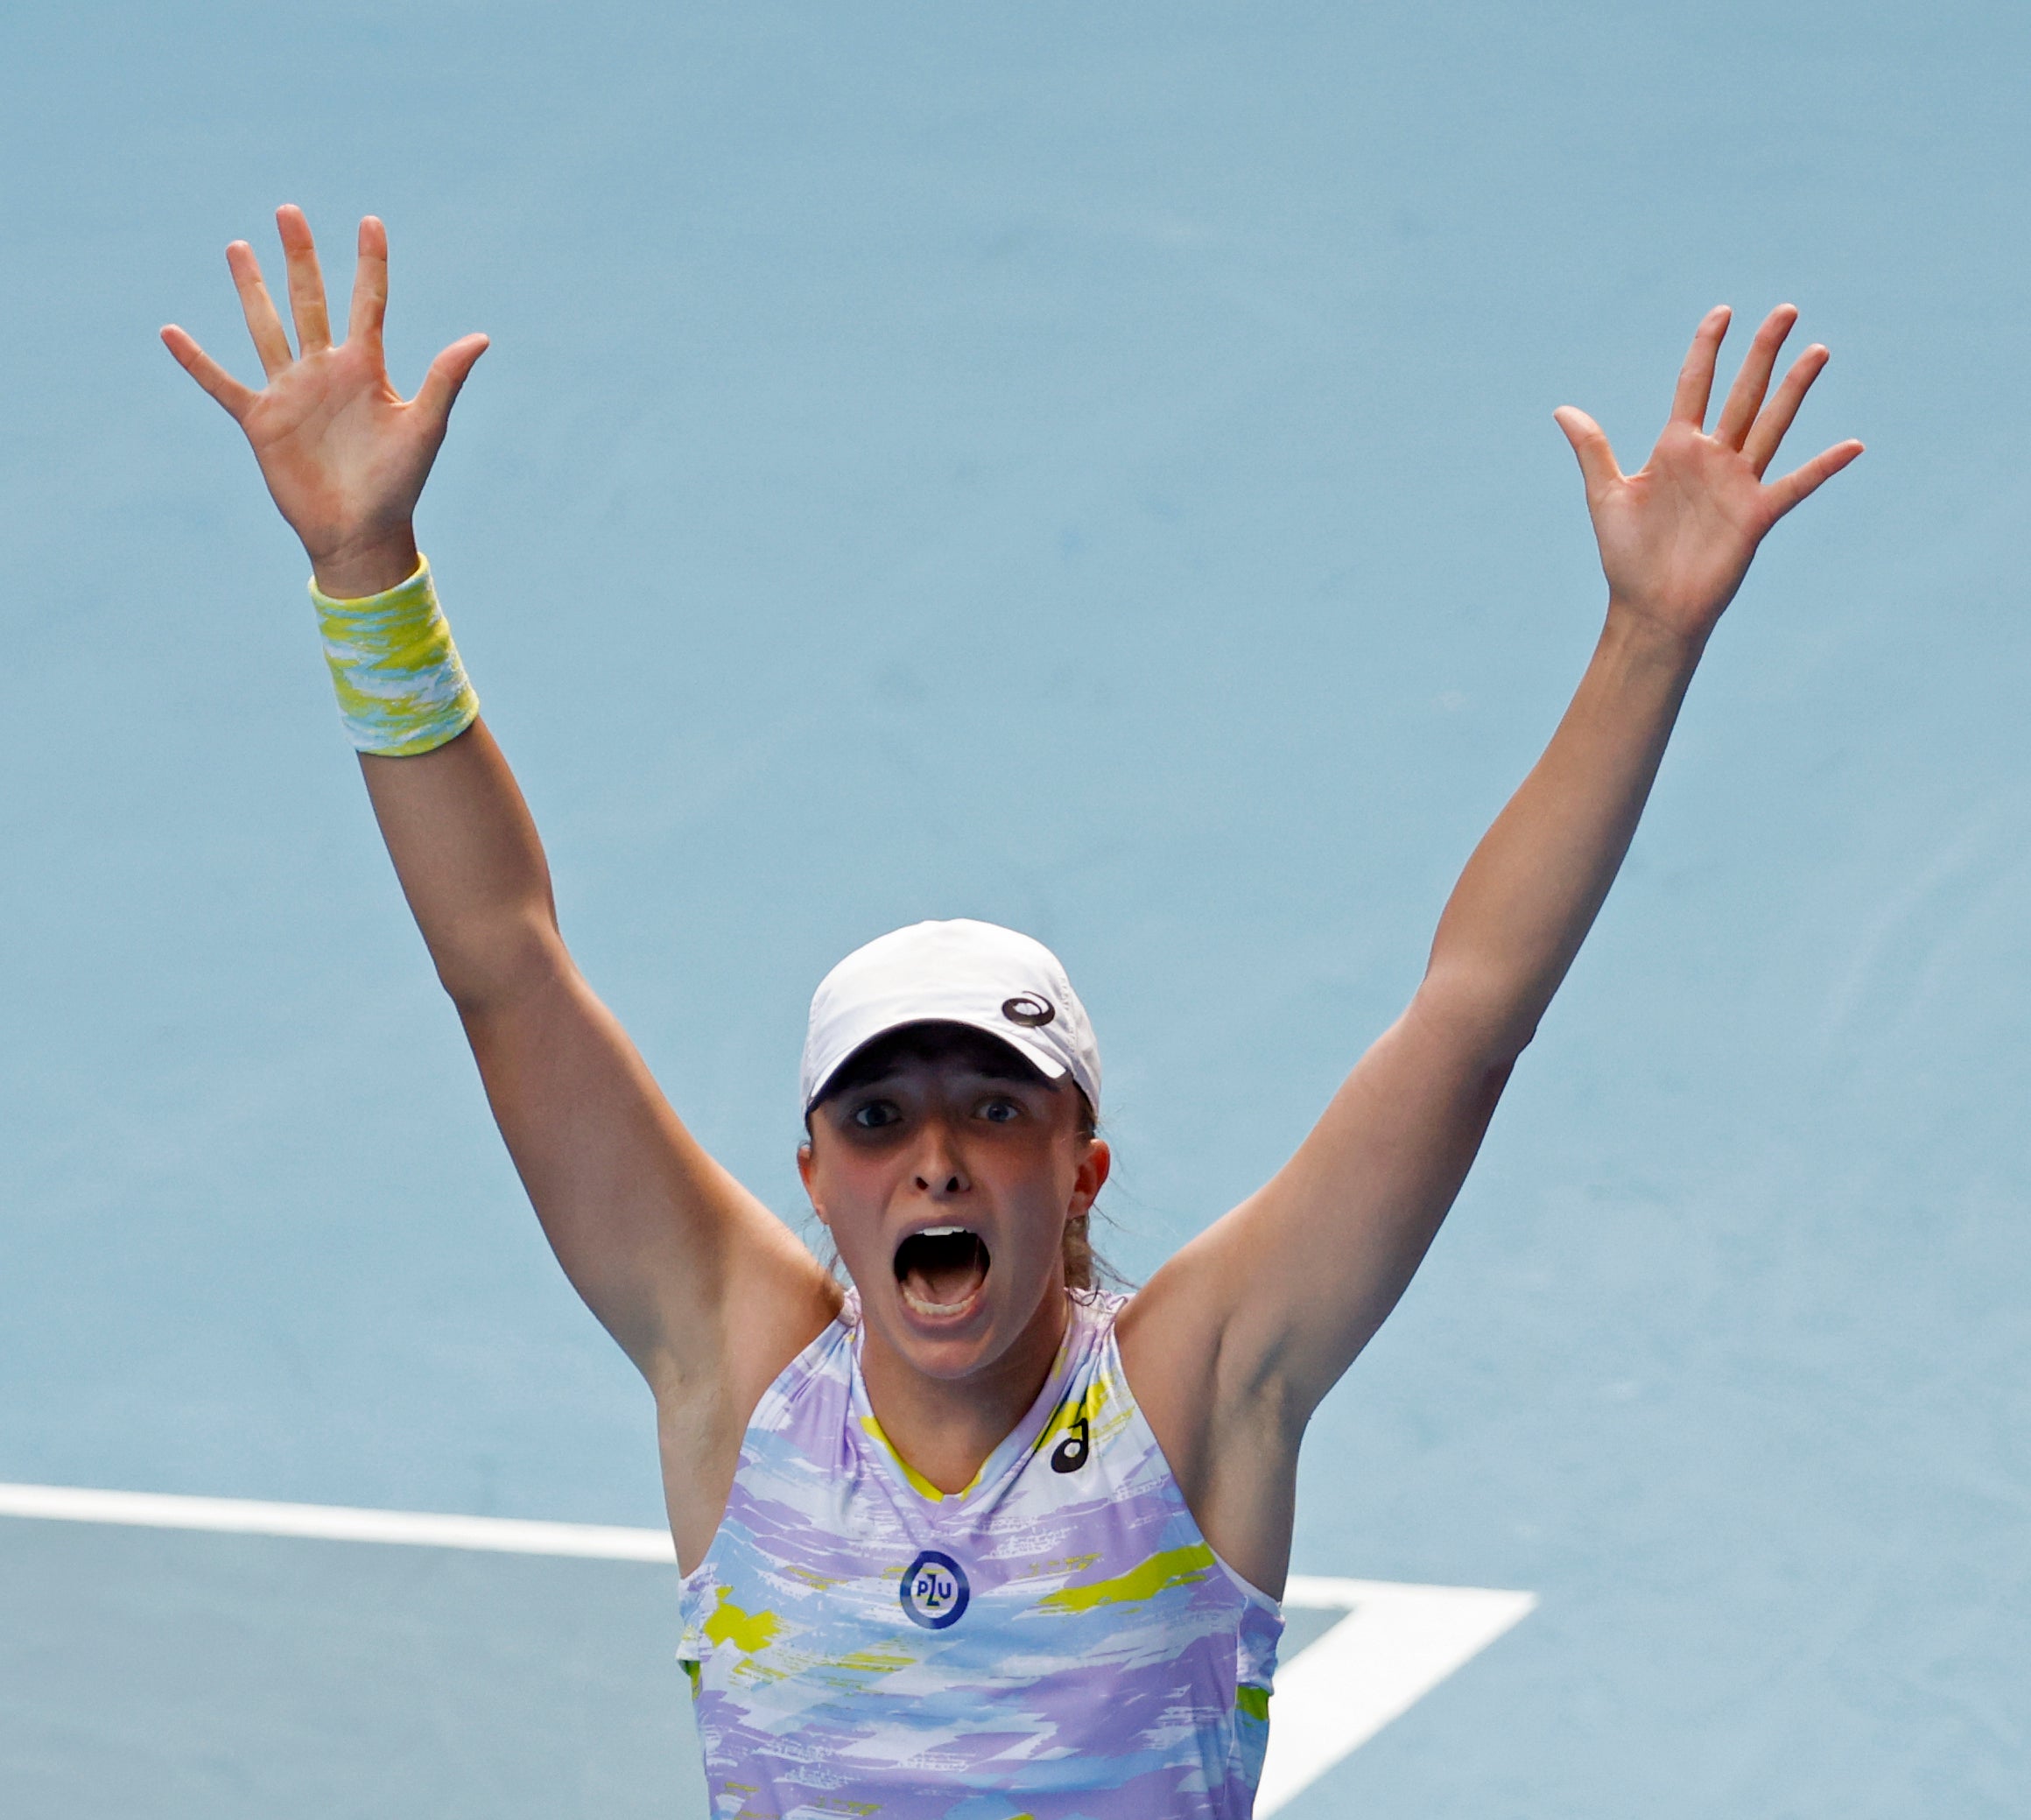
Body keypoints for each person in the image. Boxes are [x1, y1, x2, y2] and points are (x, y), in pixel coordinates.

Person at [161, 205, 1862, 1820]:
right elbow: (502, 963)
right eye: (880, 1114)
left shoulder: (1199, 1391)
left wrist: (1645, 639)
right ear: (813, 1173)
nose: (937, 1158)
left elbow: (1468, 1018)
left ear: (1083, 1163)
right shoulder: (742, 1376)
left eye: (994, 1105)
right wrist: (367, 573)